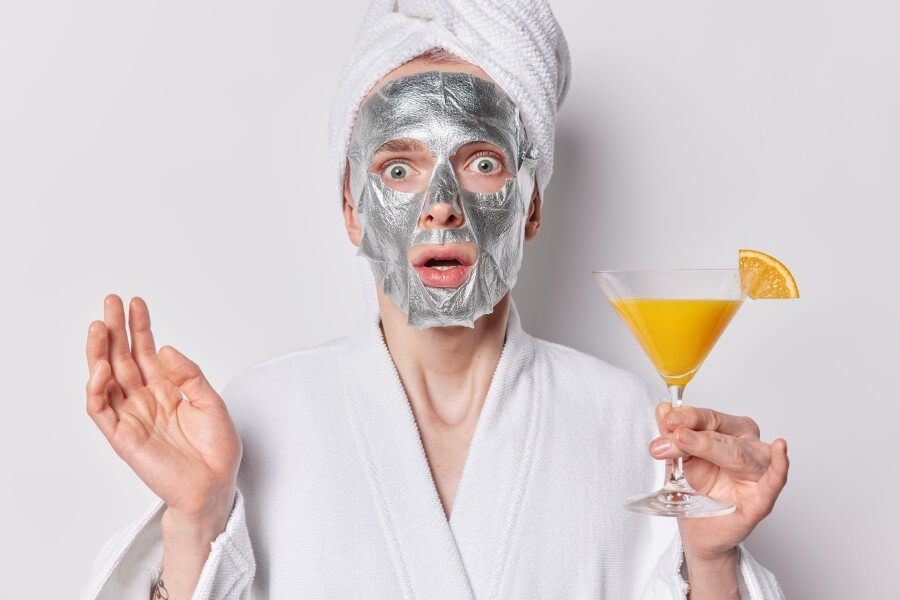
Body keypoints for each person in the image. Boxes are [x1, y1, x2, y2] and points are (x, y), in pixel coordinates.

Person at [80, 1, 788, 599]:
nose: (441, 207)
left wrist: (713, 560)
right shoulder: (260, 413)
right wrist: (195, 518)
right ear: (353, 209)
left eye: (483, 164)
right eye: (398, 167)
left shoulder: (636, 424)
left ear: (531, 207)